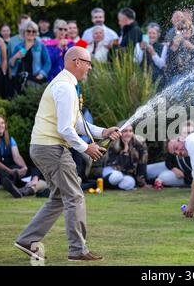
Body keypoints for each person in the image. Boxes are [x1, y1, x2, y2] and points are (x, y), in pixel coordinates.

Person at [14, 46, 122, 261]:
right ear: (76, 62)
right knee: (74, 196)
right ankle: (78, 251)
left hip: (44, 147)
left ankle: (27, 240)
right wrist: (86, 148)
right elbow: (65, 129)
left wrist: (103, 132)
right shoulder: (65, 87)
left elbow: (77, 123)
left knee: (59, 198)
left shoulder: (67, 85)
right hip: (51, 149)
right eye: (88, 63)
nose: (90, 68)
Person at [0, 115, 48, 198]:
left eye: (2, 123)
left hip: (12, 167)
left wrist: (24, 167)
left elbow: (16, 156)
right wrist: (9, 171)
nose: (0, 125)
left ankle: (19, 186)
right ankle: (17, 185)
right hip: (0, 169)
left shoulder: (10, 139)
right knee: (5, 175)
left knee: (23, 171)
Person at [147, 121, 194, 188]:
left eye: (190, 133)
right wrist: (173, 168)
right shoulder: (178, 144)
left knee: (163, 177)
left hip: (183, 177)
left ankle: (155, 180)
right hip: (172, 167)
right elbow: (168, 160)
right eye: (184, 133)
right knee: (147, 170)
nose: (187, 135)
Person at [102, 122, 150, 190]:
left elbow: (142, 163)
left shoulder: (140, 143)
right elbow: (117, 166)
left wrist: (142, 183)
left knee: (130, 182)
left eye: (130, 131)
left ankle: (113, 187)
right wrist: (125, 151)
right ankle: (106, 184)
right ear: (119, 132)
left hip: (125, 173)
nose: (128, 134)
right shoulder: (113, 143)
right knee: (117, 177)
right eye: (125, 131)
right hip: (111, 170)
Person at [10, 21, 51, 94]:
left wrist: (42, 74)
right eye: (28, 31)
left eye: (34, 31)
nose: (31, 33)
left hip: (35, 78)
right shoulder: (18, 47)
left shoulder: (40, 46)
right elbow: (11, 64)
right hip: (20, 78)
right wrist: (16, 57)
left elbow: (48, 62)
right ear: (24, 32)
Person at [134, 23, 168, 92]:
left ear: (158, 35)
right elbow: (135, 62)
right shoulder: (138, 45)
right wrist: (141, 49)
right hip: (142, 78)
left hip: (158, 80)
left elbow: (162, 65)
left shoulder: (163, 47)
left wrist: (153, 53)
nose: (151, 35)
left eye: (154, 33)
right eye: (149, 33)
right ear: (146, 34)